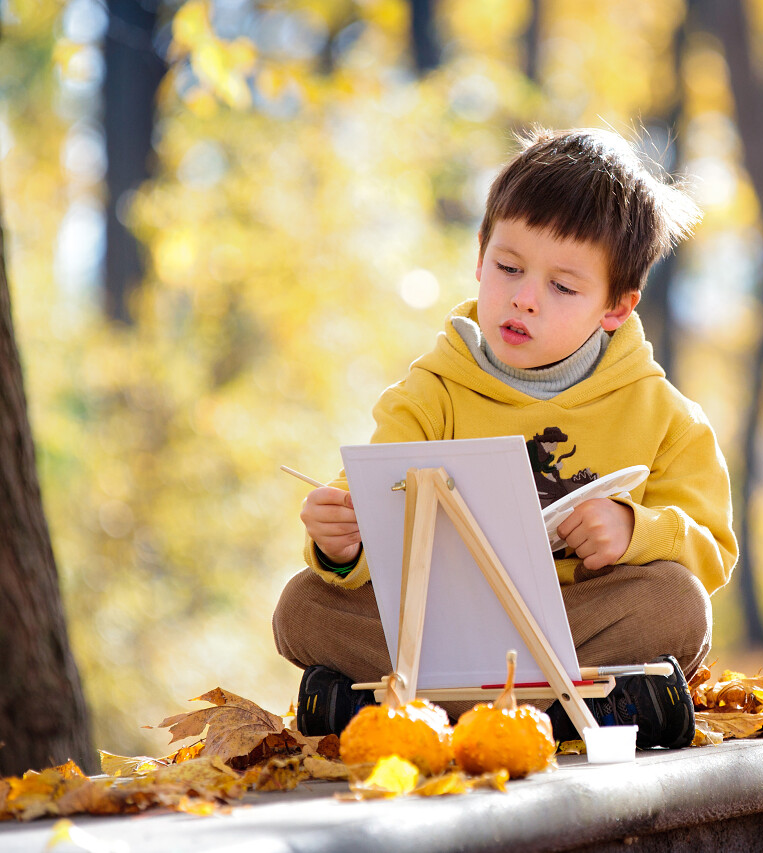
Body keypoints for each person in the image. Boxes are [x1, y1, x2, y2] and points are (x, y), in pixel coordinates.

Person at [272, 127, 737, 749]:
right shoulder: (432, 392)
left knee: (677, 603)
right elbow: (366, 501)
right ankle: (581, 711)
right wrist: (340, 541)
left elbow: (712, 551)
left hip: (576, 624)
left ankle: (386, 708)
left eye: (562, 287)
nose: (524, 299)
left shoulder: (665, 416)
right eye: (509, 268)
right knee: (302, 606)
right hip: (446, 628)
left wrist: (635, 531)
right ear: (480, 253)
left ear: (616, 307)